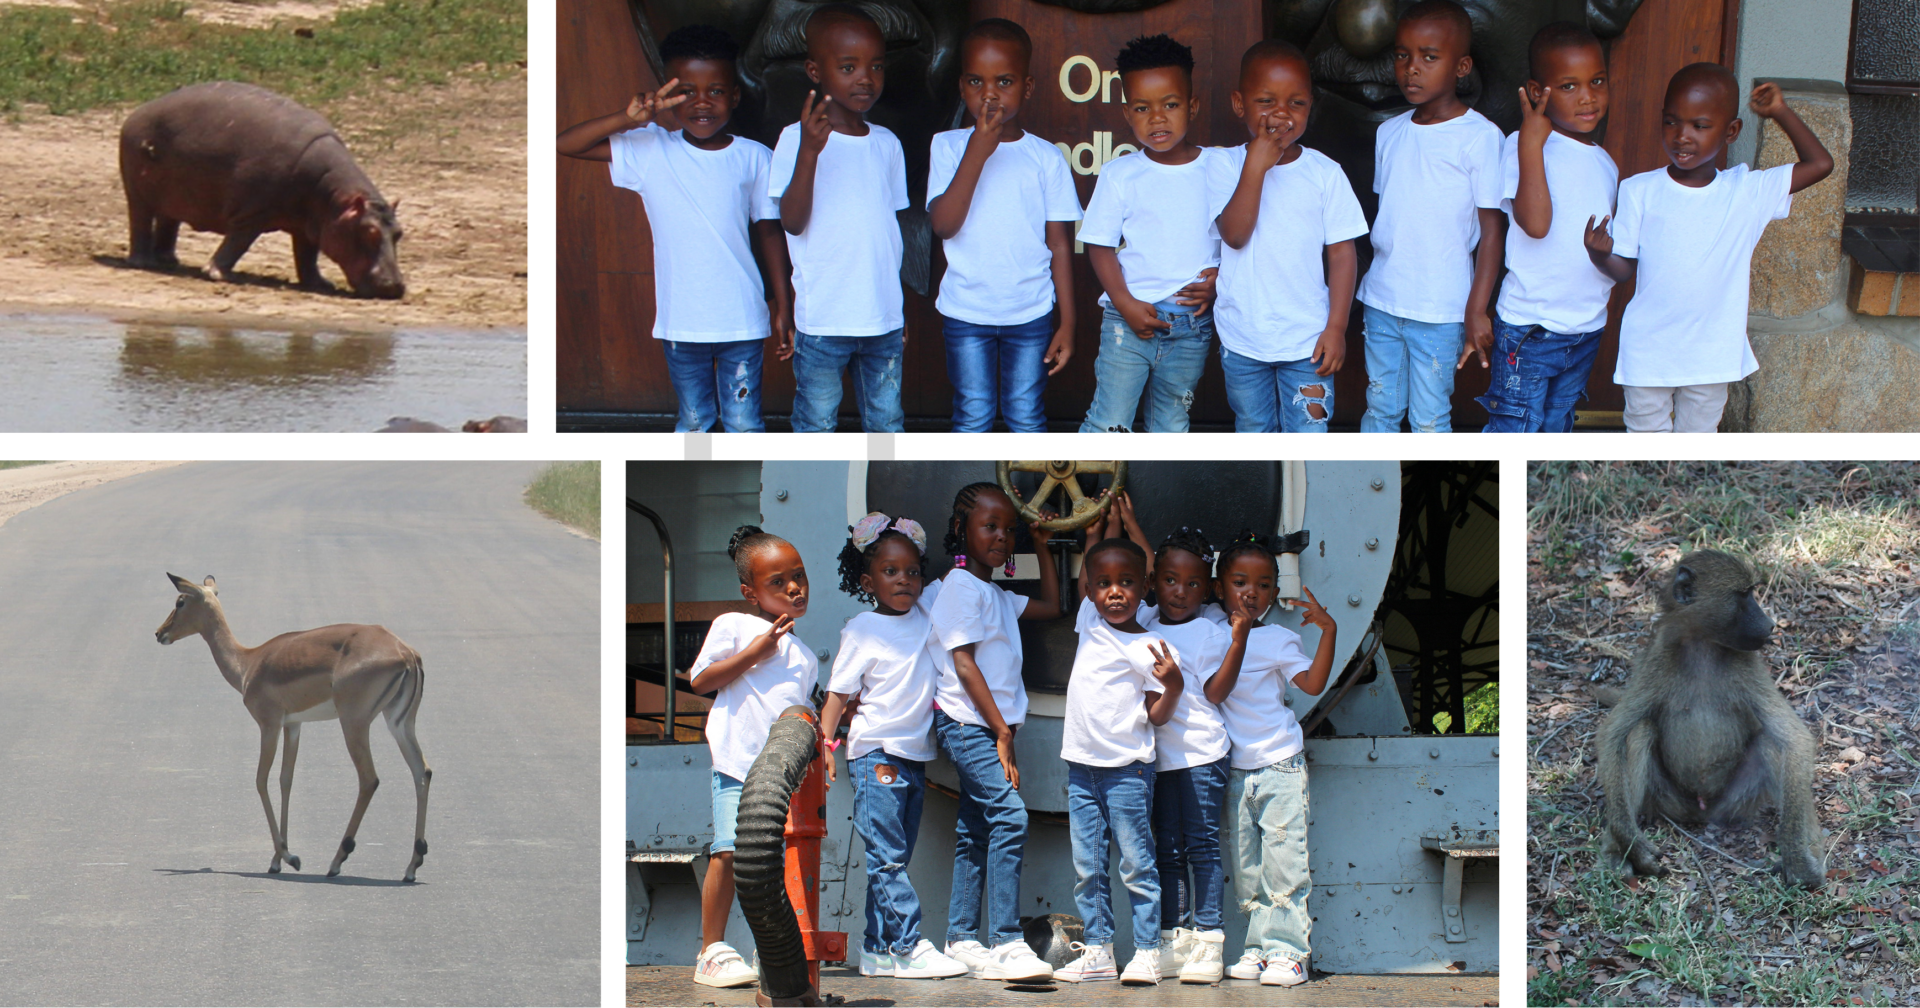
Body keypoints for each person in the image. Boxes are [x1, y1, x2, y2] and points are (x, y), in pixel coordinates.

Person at [1585, 65, 1833, 434]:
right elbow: (1625, 270)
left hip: (1711, 353)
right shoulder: (1639, 189)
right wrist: (1600, 255)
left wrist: (1780, 111)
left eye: (1700, 126)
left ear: (1731, 131)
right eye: (1672, 123)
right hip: (1650, 348)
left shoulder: (1745, 192)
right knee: (1644, 429)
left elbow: (1820, 164)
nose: (1682, 136)